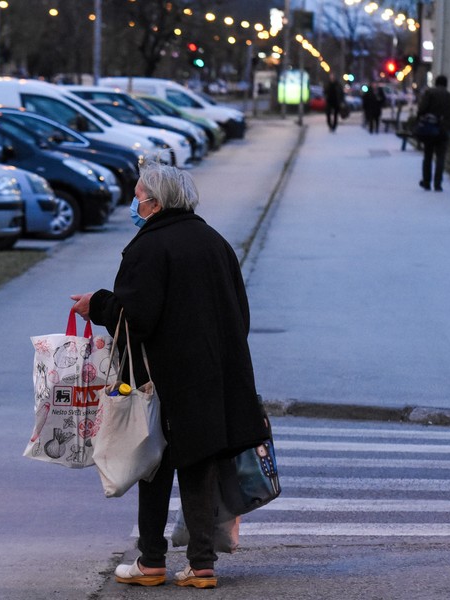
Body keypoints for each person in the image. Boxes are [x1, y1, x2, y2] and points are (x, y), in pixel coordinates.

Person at [70, 160, 268, 589]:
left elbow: (135, 316)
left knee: (153, 467)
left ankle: (151, 561)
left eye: (138, 196)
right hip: (214, 378)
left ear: (155, 203)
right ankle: (201, 566)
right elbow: (240, 314)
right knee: (199, 467)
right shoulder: (215, 243)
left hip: (163, 380)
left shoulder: (148, 247)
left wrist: (97, 304)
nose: (133, 203)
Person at [417, 75, 450, 191]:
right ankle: (438, 184)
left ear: (436, 83)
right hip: (443, 131)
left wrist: (421, 121)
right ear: (446, 84)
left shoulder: (429, 94)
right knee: (440, 157)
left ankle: (426, 182)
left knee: (428, 156)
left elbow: (421, 110)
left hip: (429, 129)